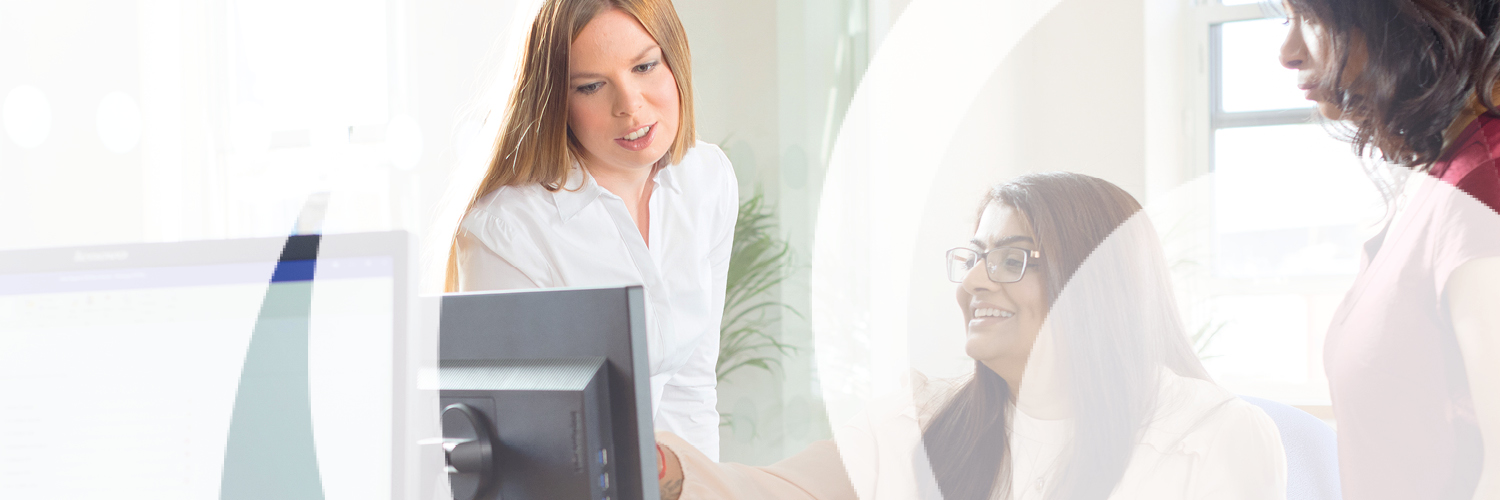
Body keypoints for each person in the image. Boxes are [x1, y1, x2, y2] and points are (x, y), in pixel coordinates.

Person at [653, 173, 1287, 500]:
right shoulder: (926, 416)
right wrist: (668, 468)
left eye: (1012, 259)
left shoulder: (1210, 437)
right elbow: (779, 492)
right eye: (975, 257)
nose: (976, 282)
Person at [446, 0, 736, 460]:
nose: (630, 105)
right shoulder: (506, 230)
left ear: (674, 58)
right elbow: (521, 450)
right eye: (592, 86)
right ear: (555, 101)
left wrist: (700, 487)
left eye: (644, 66)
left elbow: (690, 386)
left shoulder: (707, 178)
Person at [1278, 1, 1500, 498]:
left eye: (1311, 18)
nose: (1286, 53)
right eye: (1285, 18)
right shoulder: (1437, 181)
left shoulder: (1484, 182)